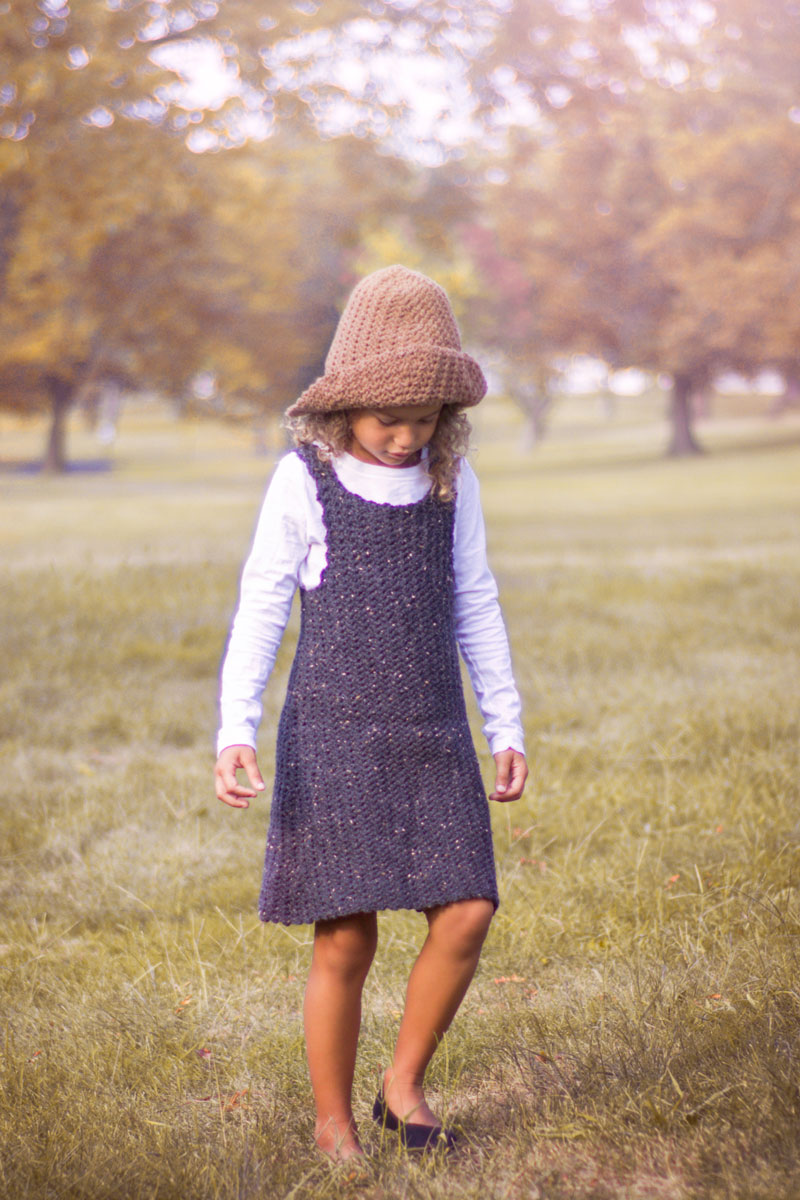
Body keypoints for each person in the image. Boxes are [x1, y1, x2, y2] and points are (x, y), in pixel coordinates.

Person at [214, 265, 527, 1162]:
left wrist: (504, 722)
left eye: (423, 419)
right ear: (342, 407)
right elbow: (263, 603)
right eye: (387, 418)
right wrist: (236, 726)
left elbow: (476, 599)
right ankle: (332, 1123)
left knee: (467, 907)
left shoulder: (450, 483)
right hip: (336, 734)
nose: (403, 437)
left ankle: (402, 1086)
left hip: (432, 733)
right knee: (345, 933)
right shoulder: (304, 479)